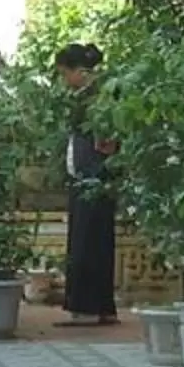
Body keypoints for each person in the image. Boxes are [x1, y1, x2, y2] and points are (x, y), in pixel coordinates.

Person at [56, 41, 119, 325]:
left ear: (78, 71)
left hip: (92, 177)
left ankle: (86, 307)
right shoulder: (95, 94)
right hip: (91, 177)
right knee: (98, 240)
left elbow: (106, 141)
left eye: (63, 73)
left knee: (87, 241)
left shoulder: (96, 98)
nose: (64, 80)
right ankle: (101, 305)